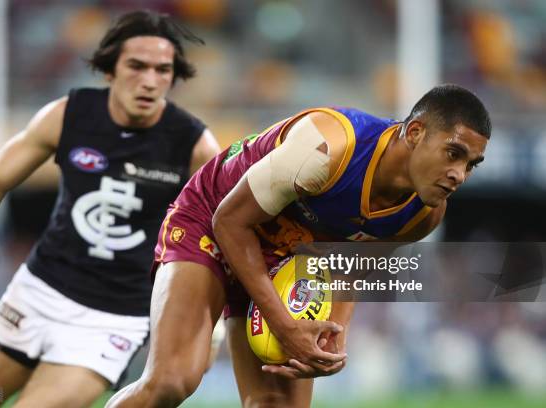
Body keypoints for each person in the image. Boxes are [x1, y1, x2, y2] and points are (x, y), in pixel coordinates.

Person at [106, 84, 491, 407]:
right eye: (453, 153)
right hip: (211, 222)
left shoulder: (423, 215)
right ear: (415, 132)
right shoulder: (330, 146)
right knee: (172, 382)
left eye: (472, 164)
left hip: (288, 259)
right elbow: (230, 221)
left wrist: (329, 340)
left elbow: (346, 268)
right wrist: (284, 324)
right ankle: (209, 315)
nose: (459, 174)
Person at [0, 10, 220, 408]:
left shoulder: (194, 146)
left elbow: (218, 234)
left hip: (109, 323)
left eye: (163, 70)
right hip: (34, 297)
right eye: (137, 66)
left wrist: (213, 326)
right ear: (109, 71)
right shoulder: (68, 116)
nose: (150, 81)